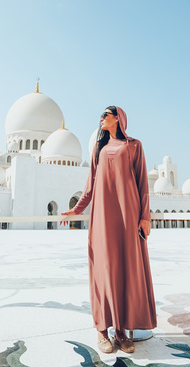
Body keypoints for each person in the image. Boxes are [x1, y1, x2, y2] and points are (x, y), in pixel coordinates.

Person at [61, 106, 157, 354]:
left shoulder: (134, 145)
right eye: (101, 116)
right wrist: (78, 208)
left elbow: (142, 182)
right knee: (104, 269)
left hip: (129, 215)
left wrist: (144, 216)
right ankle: (102, 330)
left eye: (106, 114)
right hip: (103, 216)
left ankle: (121, 331)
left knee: (125, 269)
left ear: (119, 118)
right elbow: (91, 184)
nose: (102, 118)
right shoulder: (99, 149)